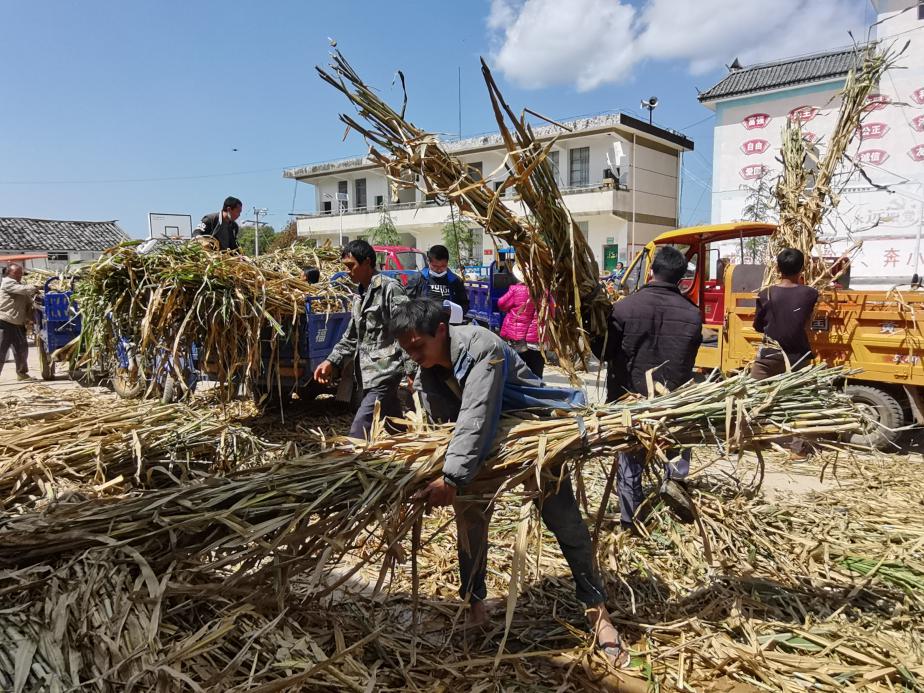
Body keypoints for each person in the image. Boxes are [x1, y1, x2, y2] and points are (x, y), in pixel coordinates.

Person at [393, 298, 628, 666]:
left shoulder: (482, 347)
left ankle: (597, 611)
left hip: (533, 440)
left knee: (565, 522)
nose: (414, 355)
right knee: (470, 524)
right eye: (408, 349)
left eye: (418, 346)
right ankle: (475, 605)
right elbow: (447, 425)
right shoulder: (427, 366)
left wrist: (452, 477)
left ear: (440, 330)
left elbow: (477, 414)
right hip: (479, 452)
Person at [605, 246, 703, 529]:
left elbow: (608, 352)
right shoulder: (692, 314)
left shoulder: (623, 308)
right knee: (676, 446)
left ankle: (630, 519)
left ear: (651, 271)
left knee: (630, 457)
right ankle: (675, 494)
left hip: (629, 397)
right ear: (682, 278)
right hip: (674, 399)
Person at [313, 240, 408, 439]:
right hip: (366, 375)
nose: (348, 271)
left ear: (367, 262)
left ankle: (348, 462)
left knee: (359, 430)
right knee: (394, 424)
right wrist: (331, 361)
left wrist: (413, 370)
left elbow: (406, 330)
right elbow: (351, 336)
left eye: (351, 266)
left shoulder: (390, 289)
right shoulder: (358, 297)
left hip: (385, 372)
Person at [751, 248, 819, 379]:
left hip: (769, 358)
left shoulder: (765, 294)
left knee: (753, 393)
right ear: (801, 269)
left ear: (777, 268)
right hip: (799, 358)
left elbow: (758, 327)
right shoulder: (810, 294)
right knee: (801, 398)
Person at [498, 263, 544, 378]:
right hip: (537, 339)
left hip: (517, 338)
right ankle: (537, 391)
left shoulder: (516, 290)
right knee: (536, 371)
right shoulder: (544, 291)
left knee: (518, 370)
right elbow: (552, 310)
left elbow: (501, 304)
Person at [0, 263, 40, 381]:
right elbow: (22, 290)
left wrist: (32, 317)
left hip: (18, 323)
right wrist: (35, 287)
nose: (20, 275)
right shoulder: (7, 283)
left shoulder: (20, 285)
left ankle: (21, 374)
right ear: (9, 273)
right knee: (1, 350)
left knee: (22, 350)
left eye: (21, 273)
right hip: (5, 322)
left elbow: (28, 303)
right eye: (17, 273)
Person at [405, 244, 470, 314]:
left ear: (447, 262)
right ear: (428, 261)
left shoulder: (456, 281)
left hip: (449, 322)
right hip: (423, 322)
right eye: (435, 266)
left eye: (443, 266)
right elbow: (408, 304)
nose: (439, 270)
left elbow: (464, 305)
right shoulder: (417, 278)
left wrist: (454, 311)